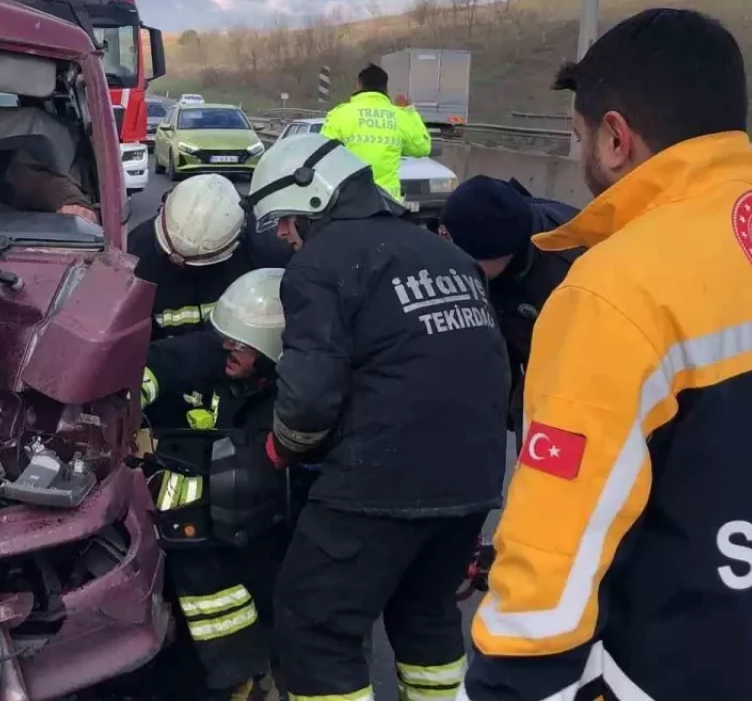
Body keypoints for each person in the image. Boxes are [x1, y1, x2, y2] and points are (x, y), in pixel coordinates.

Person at [462, 9, 752, 701]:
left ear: (616, 137)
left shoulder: (614, 289)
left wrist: (510, 686)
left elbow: (550, 566)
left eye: (578, 137)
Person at [245, 133, 510, 701]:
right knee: (427, 617)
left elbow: (311, 397)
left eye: (286, 221)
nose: (286, 237)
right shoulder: (445, 252)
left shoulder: (320, 263)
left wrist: (283, 447)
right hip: (474, 479)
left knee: (315, 625)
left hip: (378, 483)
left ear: (313, 199)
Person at [142, 268, 294, 701]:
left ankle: (246, 671)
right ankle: (235, 671)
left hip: (266, 529)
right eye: (226, 338)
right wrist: (132, 393)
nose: (226, 349)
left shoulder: (291, 402)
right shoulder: (225, 354)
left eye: (239, 345)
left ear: (269, 351)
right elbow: (168, 361)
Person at [441, 175, 582, 448]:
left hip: (577, 370)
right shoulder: (475, 219)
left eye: (468, 264)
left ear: (504, 255)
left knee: (542, 436)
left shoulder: (569, 270)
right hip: (521, 336)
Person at [128, 174, 258, 343]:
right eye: (165, 253)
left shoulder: (255, 253)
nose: (178, 262)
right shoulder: (136, 251)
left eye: (193, 264)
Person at [320, 63, 432, 201]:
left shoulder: (340, 114)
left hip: (349, 201)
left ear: (359, 85)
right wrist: (409, 111)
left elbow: (323, 152)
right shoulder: (400, 116)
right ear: (386, 88)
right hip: (388, 203)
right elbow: (422, 148)